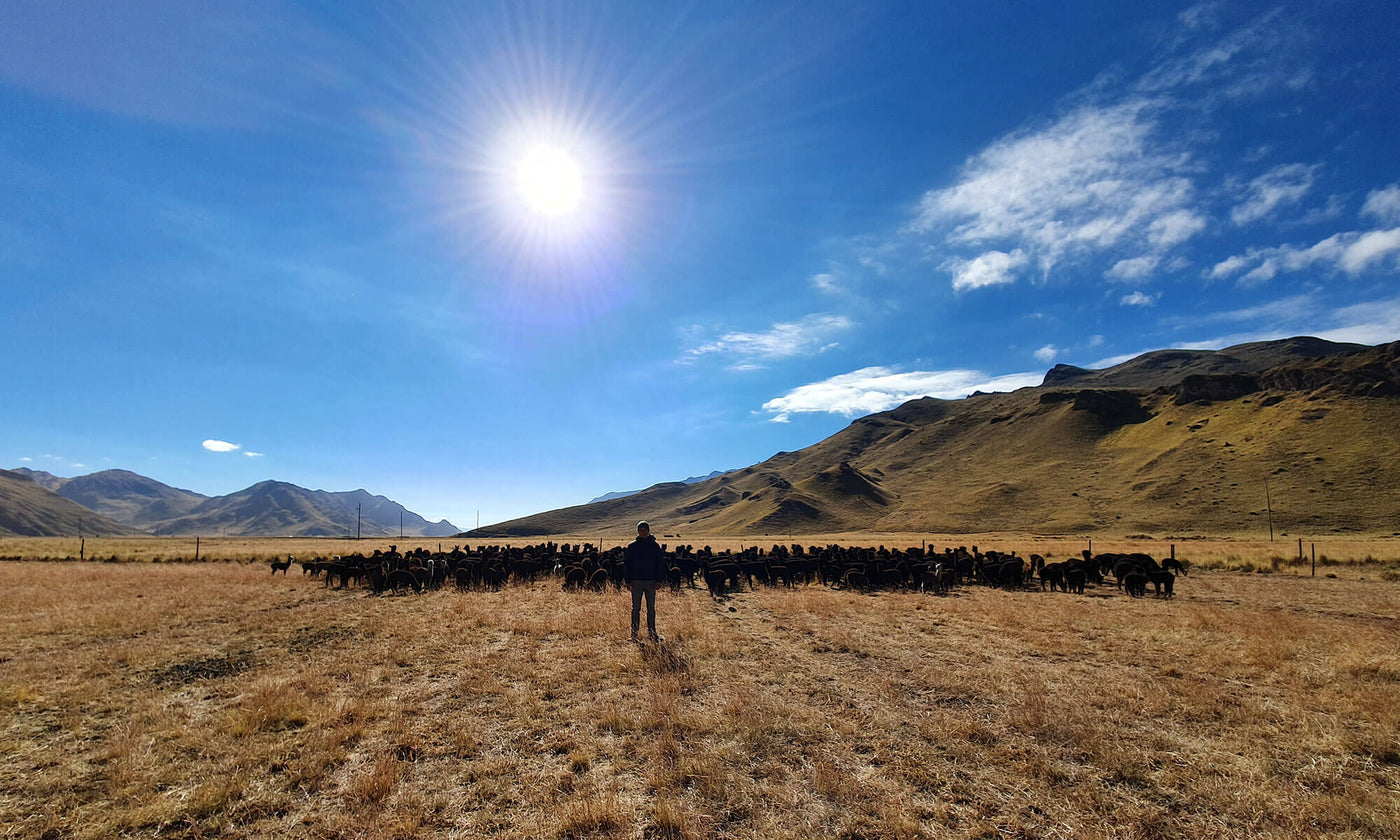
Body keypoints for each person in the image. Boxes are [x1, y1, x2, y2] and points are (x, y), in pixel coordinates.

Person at [623, 520, 666, 642]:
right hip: (636, 581)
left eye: (645, 529)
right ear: (638, 531)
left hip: (651, 582)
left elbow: (660, 564)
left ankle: (652, 634)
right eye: (641, 529)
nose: (643, 532)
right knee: (635, 608)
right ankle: (634, 635)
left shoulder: (654, 546)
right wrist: (627, 580)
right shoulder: (632, 546)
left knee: (651, 608)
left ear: (648, 531)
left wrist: (659, 580)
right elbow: (627, 565)